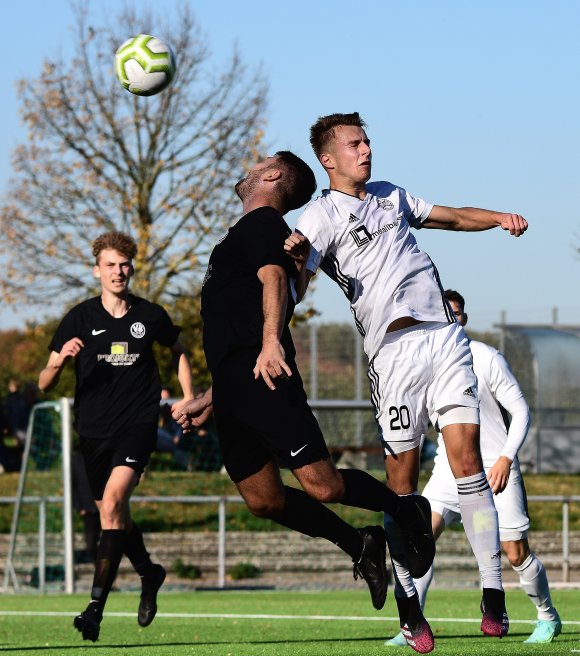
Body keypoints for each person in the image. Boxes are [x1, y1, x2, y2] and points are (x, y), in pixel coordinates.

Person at [284, 112, 528, 652]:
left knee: (468, 460)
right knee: (402, 488)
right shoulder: (319, 216)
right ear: (329, 159)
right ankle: (409, 607)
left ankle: (493, 593)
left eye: (367, 141)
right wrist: (295, 264)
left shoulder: (391, 197)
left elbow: (452, 216)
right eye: (354, 144)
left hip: (444, 339)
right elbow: (296, 281)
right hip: (393, 356)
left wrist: (499, 217)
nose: (365, 150)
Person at [173, 150, 435, 617]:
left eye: (261, 162)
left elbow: (274, 279)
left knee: (324, 486)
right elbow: (241, 320)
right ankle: (360, 543)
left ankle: (405, 509)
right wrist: (211, 396)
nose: (250, 166)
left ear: (272, 175)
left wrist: (272, 341)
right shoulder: (241, 234)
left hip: (268, 379)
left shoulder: (264, 224)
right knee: (264, 500)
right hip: (236, 389)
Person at [38, 230, 195, 642]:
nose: (118, 271)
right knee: (115, 517)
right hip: (91, 432)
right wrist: (59, 363)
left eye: (124, 264)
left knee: (111, 505)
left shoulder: (150, 315)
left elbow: (180, 351)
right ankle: (149, 572)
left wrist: (190, 398)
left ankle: (94, 609)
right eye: (110, 265)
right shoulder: (79, 318)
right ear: (97, 271)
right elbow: (43, 383)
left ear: (132, 268)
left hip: (137, 425)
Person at [386, 290, 562, 646]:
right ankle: (413, 625)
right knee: (418, 541)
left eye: (457, 314)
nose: (450, 318)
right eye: (443, 313)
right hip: (448, 476)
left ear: (463, 319)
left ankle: (547, 616)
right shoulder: (424, 366)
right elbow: (417, 426)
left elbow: (522, 412)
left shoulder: (485, 358)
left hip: (495, 474)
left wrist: (505, 459)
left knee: (515, 552)